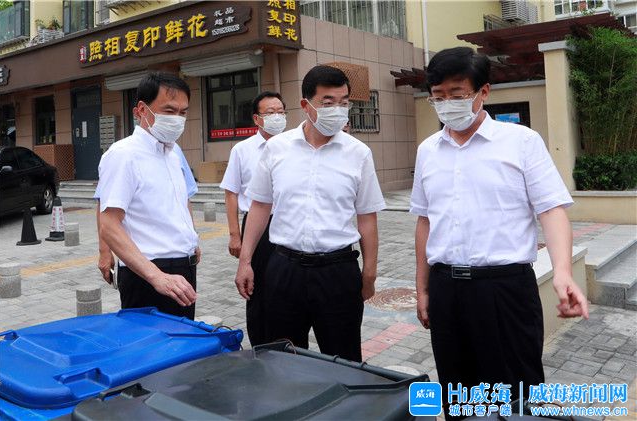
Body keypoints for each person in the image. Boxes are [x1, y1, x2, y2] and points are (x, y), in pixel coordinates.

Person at [410, 47, 589, 415]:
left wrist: (563, 272)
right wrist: (423, 289)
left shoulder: (521, 142)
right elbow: (425, 220)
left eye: (457, 94)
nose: (447, 103)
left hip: (504, 290)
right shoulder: (428, 150)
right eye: (438, 96)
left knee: (516, 398)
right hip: (446, 290)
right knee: (458, 397)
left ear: (484, 92)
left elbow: (551, 210)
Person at [234, 65, 385, 362]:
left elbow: (367, 216)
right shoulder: (277, 148)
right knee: (284, 358)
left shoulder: (358, 153)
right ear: (306, 105)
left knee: (344, 360)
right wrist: (245, 260)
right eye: (328, 102)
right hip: (284, 268)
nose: (337, 110)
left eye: (343, 102)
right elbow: (260, 206)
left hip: (338, 271)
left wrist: (369, 272)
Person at [97, 72, 200, 319]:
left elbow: (181, 201)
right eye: (169, 111)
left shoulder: (173, 153)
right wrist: (156, 276)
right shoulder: (123, 155)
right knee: (152, 342)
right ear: (142, 110)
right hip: (147, 274)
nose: (177, 119)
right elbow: (109, 225)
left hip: (183, 268)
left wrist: (192, 239)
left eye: (183, 113)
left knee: (183, 341)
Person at [220, 91, 286, 346]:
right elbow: (231, 193)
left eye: (281, 112)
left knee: (286, 284)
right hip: (257, 227)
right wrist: (235, 235)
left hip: (288, 223)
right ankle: (260, 345)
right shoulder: (242, 150)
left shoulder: (295, 146)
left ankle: (286, 342)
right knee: (256, 286)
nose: (277, 117)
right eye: (270, 113)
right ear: (257, 119)